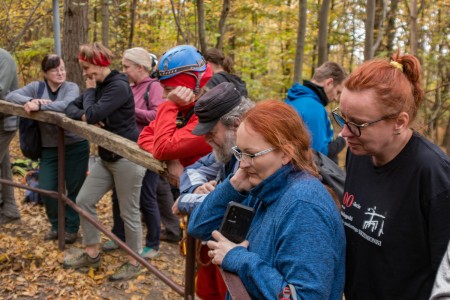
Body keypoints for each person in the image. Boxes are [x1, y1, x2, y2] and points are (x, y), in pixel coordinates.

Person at [188, 100, 346, 299]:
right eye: (240, 152)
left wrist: (238, 259)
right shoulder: (261, 185)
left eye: (252, 154)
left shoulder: (304, 207)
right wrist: (233, 186)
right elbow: (199, 227)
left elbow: (304, 296)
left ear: (285, 154)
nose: (243, 164)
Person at [333, 51, 450, 299]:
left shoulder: (434, 176)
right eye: (342, 118)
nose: (344, 133)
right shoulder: (359, 153)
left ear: (399, 122)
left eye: (357, 124)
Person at [63, 43, 146, 281]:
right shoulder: (100, 86)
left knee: (129, 212)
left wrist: (89, 104)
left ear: (99, 64)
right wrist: (86, 113)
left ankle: (135, 261)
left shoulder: (117, 86)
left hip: (127, 159)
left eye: (87, 68)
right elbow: (73, 108)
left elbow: (93, 114)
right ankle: (92, 253)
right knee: (84, 200)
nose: (85, 74)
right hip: (106, 157)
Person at [172, 82, 253, 300]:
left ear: (235, 125)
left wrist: (185, 201)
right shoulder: (229, 149)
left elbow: (231, 208)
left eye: (212, 131)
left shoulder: (252, 158)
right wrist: (198, 189)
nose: (207, 138)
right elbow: (193, 170)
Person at [5, 54, 89, 243]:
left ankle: (71, 228)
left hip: (75, 146)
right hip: (49, 148)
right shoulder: (37, 87)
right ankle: (56, 225)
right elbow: (11, 95)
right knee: (46, 188)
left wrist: (40, 105)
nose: (60, 73)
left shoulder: (71, 87)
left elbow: (67, 105)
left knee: (74, 189)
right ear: (45, 73)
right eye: (55, 70)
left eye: (62, 68)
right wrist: (28, 101)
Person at [137, 45, 213, 242]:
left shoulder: (207, 116)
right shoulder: (182, 108)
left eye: (169, 90)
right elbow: (145, 136)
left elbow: (162, 147)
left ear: (187, 88)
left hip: (208, 202)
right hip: (188, 193)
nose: (163, 96)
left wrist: (169, 105)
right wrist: (172, 157)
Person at [102, 47, 164, 259]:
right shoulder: (130, 86)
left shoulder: (154, 87)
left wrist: (127, 109)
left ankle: (153, 244)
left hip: (146, 151)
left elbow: (157, 115)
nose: (124, 70)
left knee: (147, 196)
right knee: (119, 197)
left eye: (127, 67)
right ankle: (118, 236)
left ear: (140, 67)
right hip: (126, 149)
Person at [285, 61, 347, 163]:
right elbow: (317, 156)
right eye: (338, 92)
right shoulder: (313, 108)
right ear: (329, 83)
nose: (336, 98)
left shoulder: (295, 100)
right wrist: (341, 141)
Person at [0, 48, 20, 226]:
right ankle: (10, 208)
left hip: (6, 121)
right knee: (4, 164)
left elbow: (0, 90)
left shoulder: (4, 58)